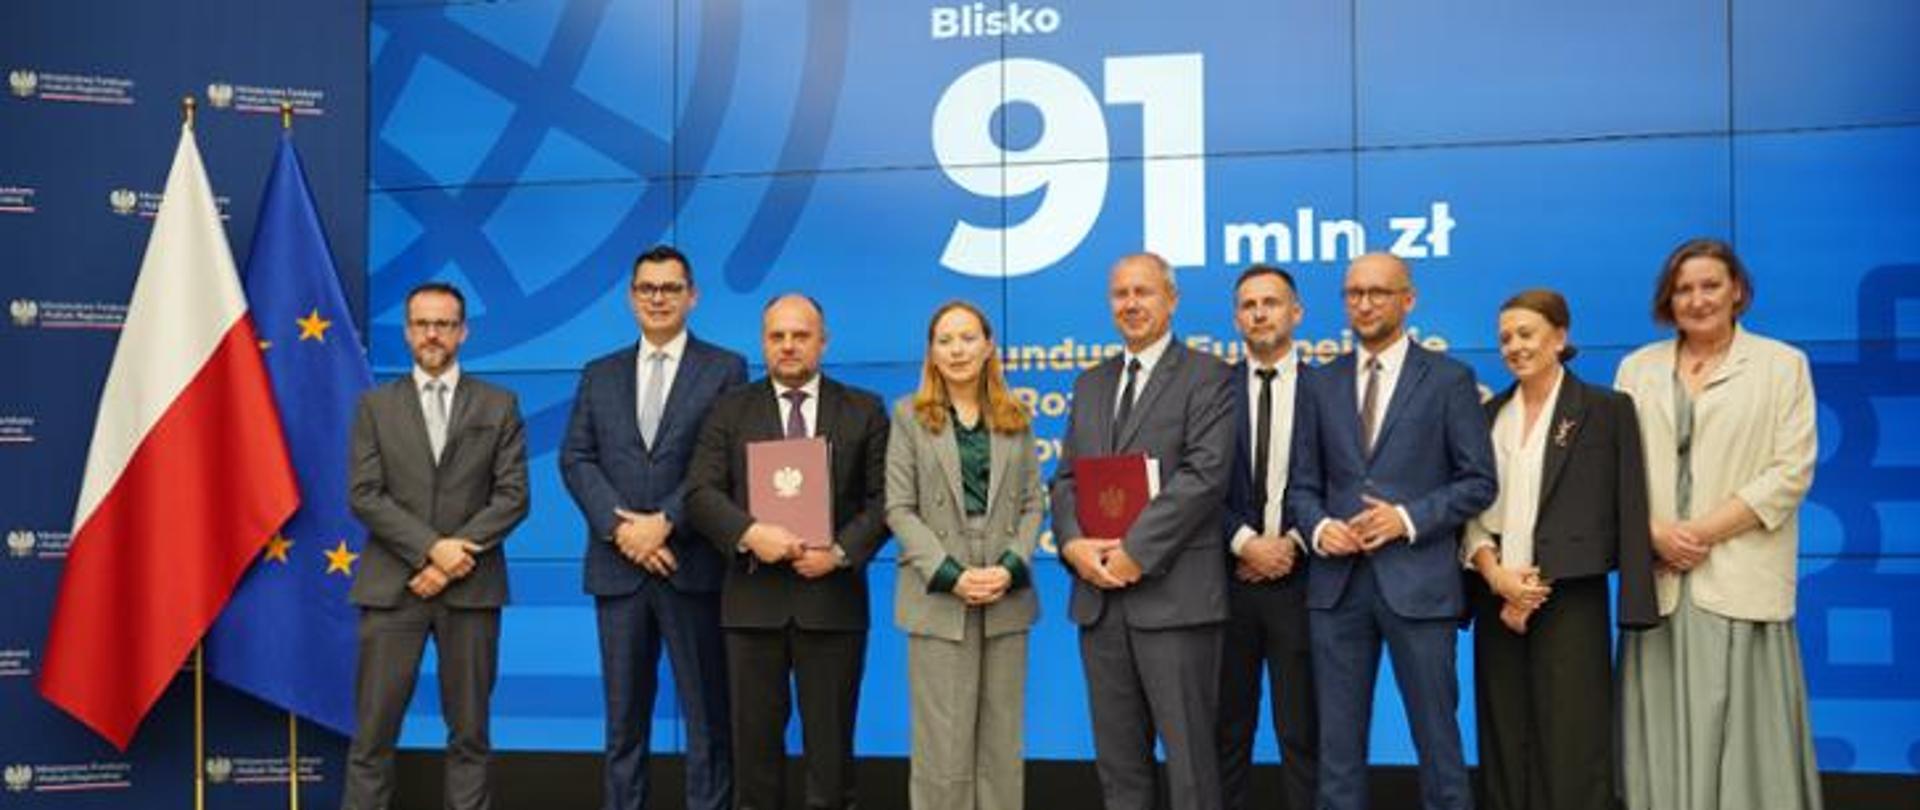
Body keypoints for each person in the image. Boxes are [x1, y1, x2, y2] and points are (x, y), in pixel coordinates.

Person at [1614, 238, 1822, 810]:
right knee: (1658, 735)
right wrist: (1656, 532)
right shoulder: (1638, 368)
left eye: (1710, 285)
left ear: (1738, 291)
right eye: (1683, 288)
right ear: (1667, 299)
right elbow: (1614, 470)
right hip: (1659, 580)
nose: (1697, 299)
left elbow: (1790, 472)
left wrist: (1700, 532)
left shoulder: (1783, 365)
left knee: (1748, 742)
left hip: (1739, 575)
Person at [1285, 252, 1495, 810]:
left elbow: (1479, 481)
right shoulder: (1319, 382)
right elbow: (1300, 488)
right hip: (1337, 589)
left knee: (1439, 747)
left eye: (1378, 292)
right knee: (1338, 754)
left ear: (1409, 299)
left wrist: (1405, 519)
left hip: (1420, 587)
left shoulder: (1450, 379)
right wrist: (1322, 526)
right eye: (1354, 293)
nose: (1365, 303)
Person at [684, 293, 890, 810]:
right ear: (763, 343)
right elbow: (700, 494)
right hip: (753, 604)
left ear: (823, 341)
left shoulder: (863, 408)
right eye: (777, 336)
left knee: (831, 756)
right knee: (753, 759)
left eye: (800, 335)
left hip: (833, 603)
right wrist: (752, 532)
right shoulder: (730, 409)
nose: (789, 346)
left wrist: (840, 552)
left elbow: (887, 498)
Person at [560, 246, 747, 810]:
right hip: (619, 573)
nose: (658, 298)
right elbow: (576, 458)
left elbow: (724, 462)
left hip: (691, 568)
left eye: (670, 288)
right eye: (647, 288)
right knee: (623, 726)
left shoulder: (725, 369)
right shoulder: (599, 373)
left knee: (708, 723)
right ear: (631, 297)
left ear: (693, 296)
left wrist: (666, 522)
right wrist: (626, 533)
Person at [1051, 252, 1237, 810]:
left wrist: (1134, 552)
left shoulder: (1209, 376)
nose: (1131, 304)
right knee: (1119, 767)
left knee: (1191, 770)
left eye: (1144, 292)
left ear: (1172, 299)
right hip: (1100, 603)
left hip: (1176, 601)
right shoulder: (1090, 383)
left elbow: (1204, 478)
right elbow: (1065, 480)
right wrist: (1072, 544)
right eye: (1120, 294)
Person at [1460, 289, 1658, 810]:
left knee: (1574, 742)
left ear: (1560, 337)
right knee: (1503, 738)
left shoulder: (1606, 410)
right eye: (1505, 337)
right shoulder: (1487, 416)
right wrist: (1498, 577)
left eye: (1526, 334)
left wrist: (1533, 589)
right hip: (1494, 597)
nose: (1514, 346)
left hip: (1570, 598)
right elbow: (1472, 514)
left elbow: (1628, 506)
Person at [343, 282, 530, 810]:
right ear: (407, 332)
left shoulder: (499, 404)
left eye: (444, 324)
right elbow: (364, 495)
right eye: (422, 323)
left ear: (462, 332)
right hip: (391, 590)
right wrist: (430, 550)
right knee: (372, 739)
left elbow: (513, 496)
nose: (432, 334)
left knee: (470, 736)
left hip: (470, 592)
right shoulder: (374, 407)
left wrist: (452, 561)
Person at [885, 300, 1046, 810]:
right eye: (945, 340)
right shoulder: (909, 415)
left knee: (1002, 742)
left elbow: (1031, 504)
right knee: (943, 745)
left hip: (1005, 587)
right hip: (939, 588)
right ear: (931, 352)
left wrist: (1010, 567)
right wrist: (951, 574)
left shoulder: (1015, 414)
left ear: (989, 346)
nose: (957, 350)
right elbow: (899, 508)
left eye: (968, 338)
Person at [1216, 266, 1318, 810]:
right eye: (1249, 304)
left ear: (1295, 313)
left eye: (1271, 303)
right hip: (1225, 584)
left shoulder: (1330, 388)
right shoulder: (1212, 391)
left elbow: (1342, 479)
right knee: (1226, 732)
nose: (1259, 313)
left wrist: (1289, 546)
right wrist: (1244, 543)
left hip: (1303, 584)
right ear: (1236, 318)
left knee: (1303, 732)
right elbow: (1197, 481)